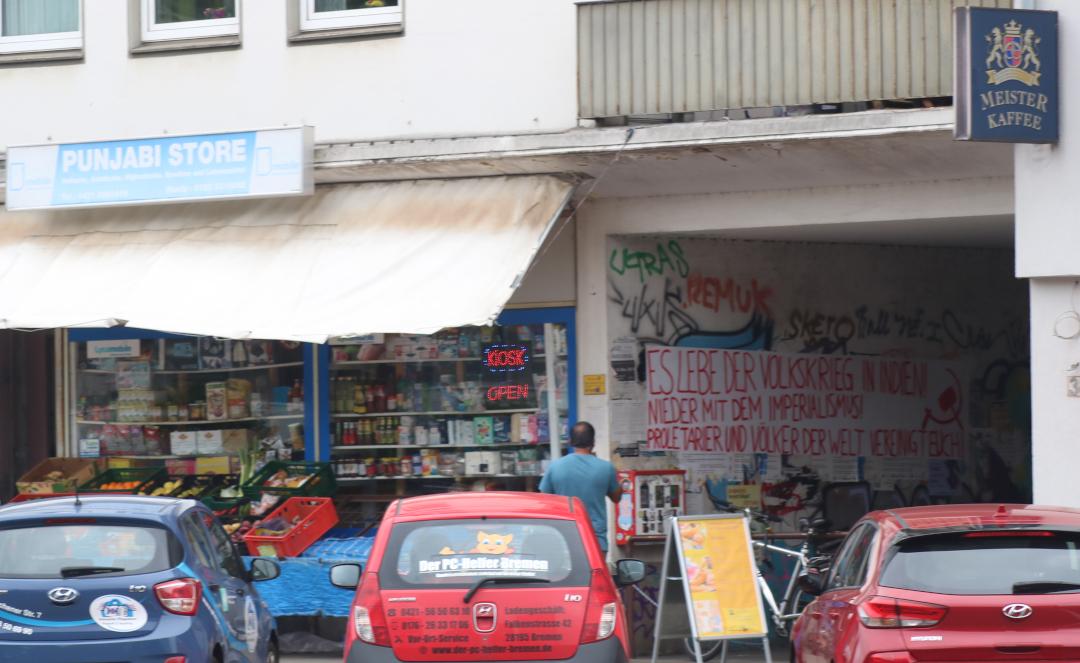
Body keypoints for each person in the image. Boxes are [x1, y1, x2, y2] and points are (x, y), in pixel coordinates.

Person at [539, 421, 622, 553]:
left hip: (564, 539)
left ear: (570, 441)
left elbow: (543, 501)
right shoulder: (606, 468)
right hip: (596, 541)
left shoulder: (555, 467)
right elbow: (617, 497)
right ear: (593, 442)